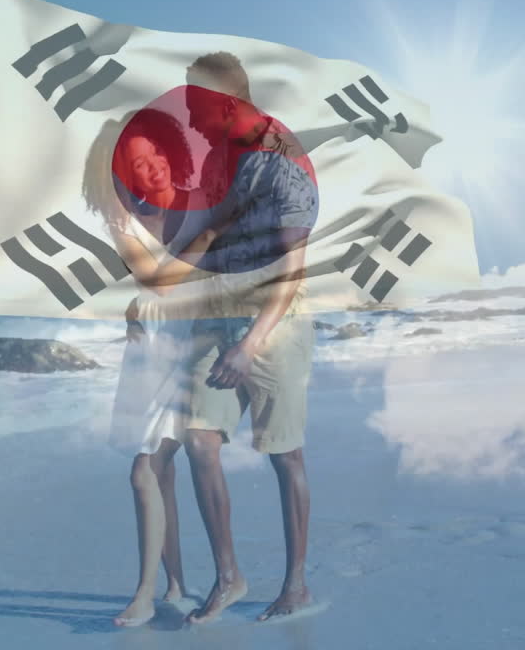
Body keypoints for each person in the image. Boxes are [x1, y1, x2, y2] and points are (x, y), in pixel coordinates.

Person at [179, 52, 320, 624]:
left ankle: (296, 585)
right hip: (215, 311)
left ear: (229, 104)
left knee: (284, 455)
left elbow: (293, 270)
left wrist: (250, 345)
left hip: (274, 325)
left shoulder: (286, 162)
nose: (189, 115)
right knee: (198, 439)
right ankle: (229, 577)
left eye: (198, 103)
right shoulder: (218, 157)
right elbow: (207, 232)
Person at [81, 108, 222, 627]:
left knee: (148, 469)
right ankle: (175, 586)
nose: (151, 168)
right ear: (122, 173)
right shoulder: (120, 218)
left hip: (196, 342)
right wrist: (204, 243)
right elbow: (155, 282)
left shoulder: (200, 202)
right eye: (136, 164)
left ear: (169, 151)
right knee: (155, 470)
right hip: (151, 348)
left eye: (155, 154)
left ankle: (147, 592)